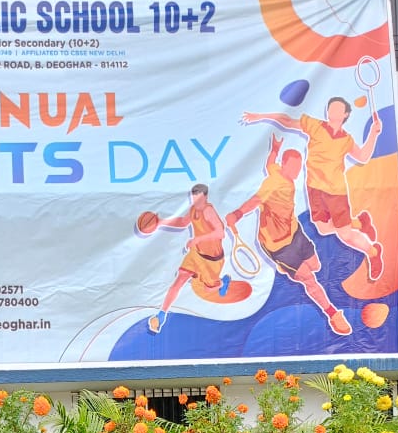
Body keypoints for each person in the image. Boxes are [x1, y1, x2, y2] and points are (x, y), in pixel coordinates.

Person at [241, 97, 384, 281]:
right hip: (314, 190)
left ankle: (373, 252)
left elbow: (363, 156)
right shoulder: (315, 126)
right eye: (330, 107)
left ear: (345, 114)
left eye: (337, 108)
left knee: (345, 235)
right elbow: (287, 121)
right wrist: (261, 116)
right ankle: (359, 222)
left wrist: (373, 133)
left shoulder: (346, 140)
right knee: (323, 229)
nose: (332, 110)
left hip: (336, 193)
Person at [226, 135, 352, 336]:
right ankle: (333, 314)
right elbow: (255, 201)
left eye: (298, 167)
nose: (296, 171)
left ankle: (287, 268)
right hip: (278, 245)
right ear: (284, 165)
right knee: (309, 279)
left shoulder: (278, 171)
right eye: (293, 167)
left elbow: (270, 164)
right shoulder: (273, 182)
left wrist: (275, 149)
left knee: (316, 265)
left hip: (295, 232)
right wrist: (237, 214)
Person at [148, 183, 231, 334]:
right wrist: (161, 223)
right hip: (196, 253)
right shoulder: (193, 209)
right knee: (179, 280)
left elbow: (220, 233)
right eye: (193, 198)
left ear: (205, 197)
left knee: (208, 288)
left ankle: (222, 282)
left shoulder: (208, 211)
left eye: (198, 198)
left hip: (212, 259)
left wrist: (198, 239)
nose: (195, 201)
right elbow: (182, 222)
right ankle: (161, 315)